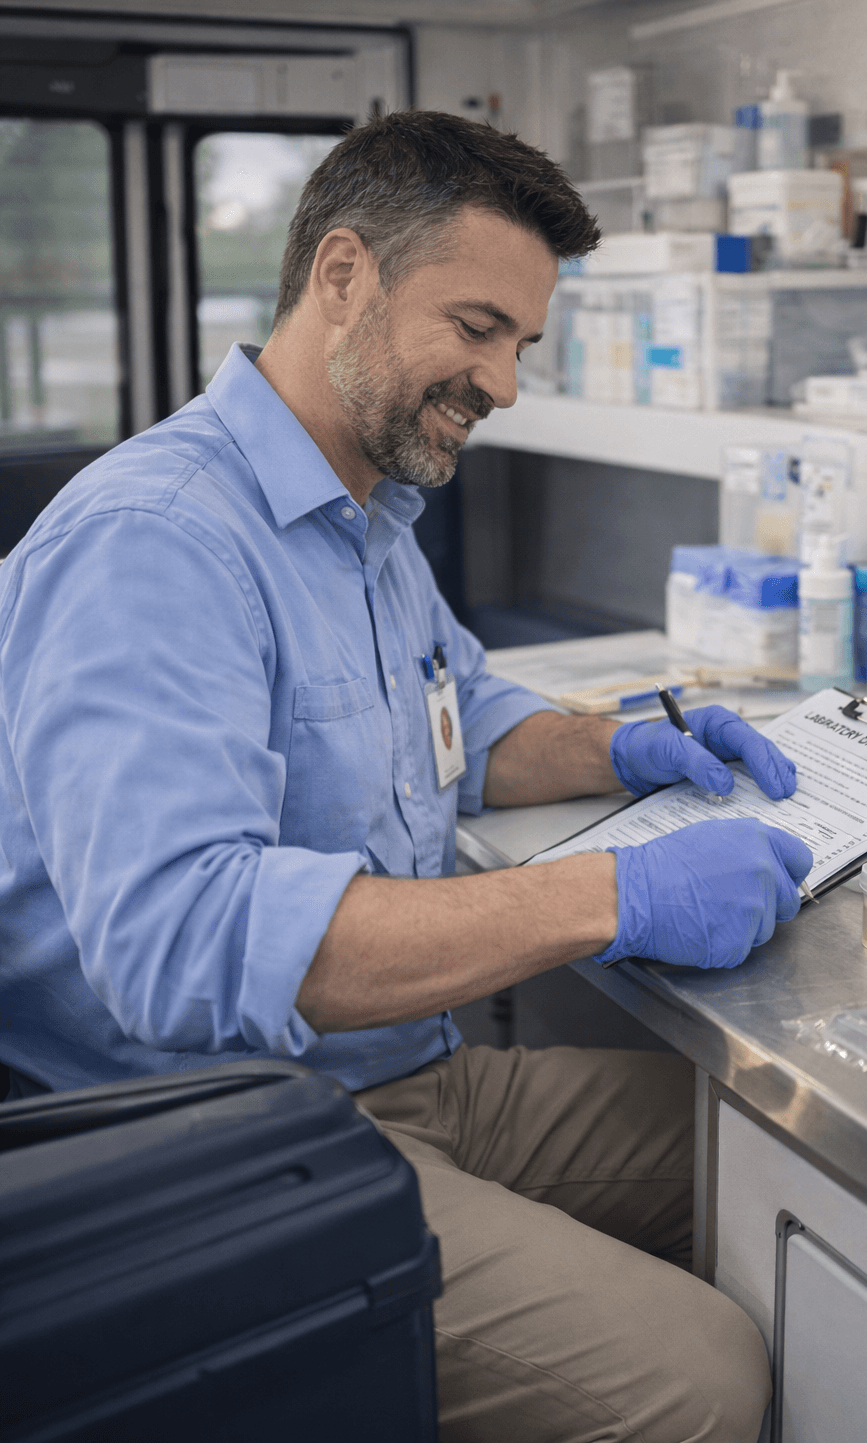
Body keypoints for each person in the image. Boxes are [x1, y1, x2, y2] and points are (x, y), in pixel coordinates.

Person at [0, 111, 812, 1442]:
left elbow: (466, 721)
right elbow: (180, 938)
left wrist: (619, 741)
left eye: (521, 347)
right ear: (341, 278)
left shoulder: (369, 508)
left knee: (782, 1165)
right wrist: (616, 894)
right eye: (476, 327)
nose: (504, 383)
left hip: (415, 1076)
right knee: (697, 1369)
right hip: (219, 1138)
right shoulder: (154, 542)